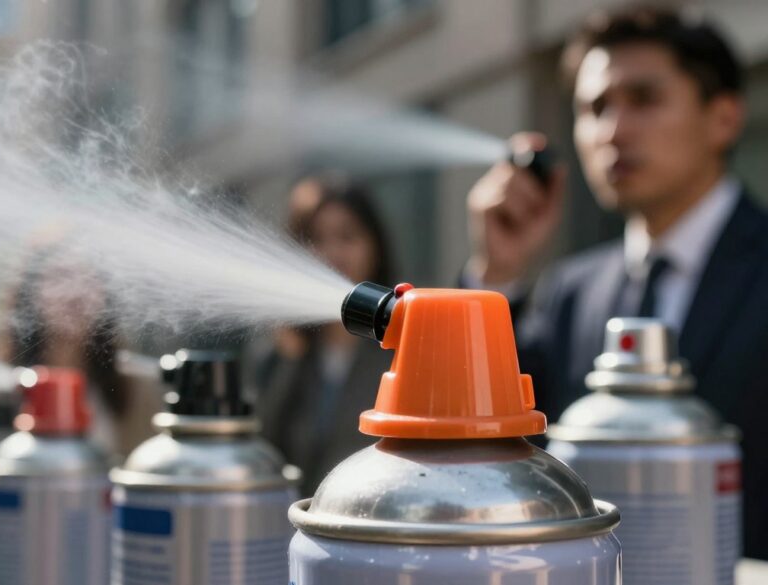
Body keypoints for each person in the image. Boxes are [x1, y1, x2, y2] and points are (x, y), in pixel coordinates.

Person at [463, 7, 768, 559]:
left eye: (643, 99)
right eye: (594, 107)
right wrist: (498, 274)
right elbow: (485, 450)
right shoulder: (569, 292)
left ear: (723, 118)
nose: (612, 131)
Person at [255, 175, 395, 496]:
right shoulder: (280, 354)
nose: (333, 252)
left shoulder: (401, 349)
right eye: (317, 239)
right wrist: (289, 361)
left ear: (375, 247)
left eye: (347, 237)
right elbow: (264, 451)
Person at [0, 245, 139, 455]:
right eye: (60, 277)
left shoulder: (135, 383)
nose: (74, 292)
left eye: (88, 279)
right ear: (31, 291)